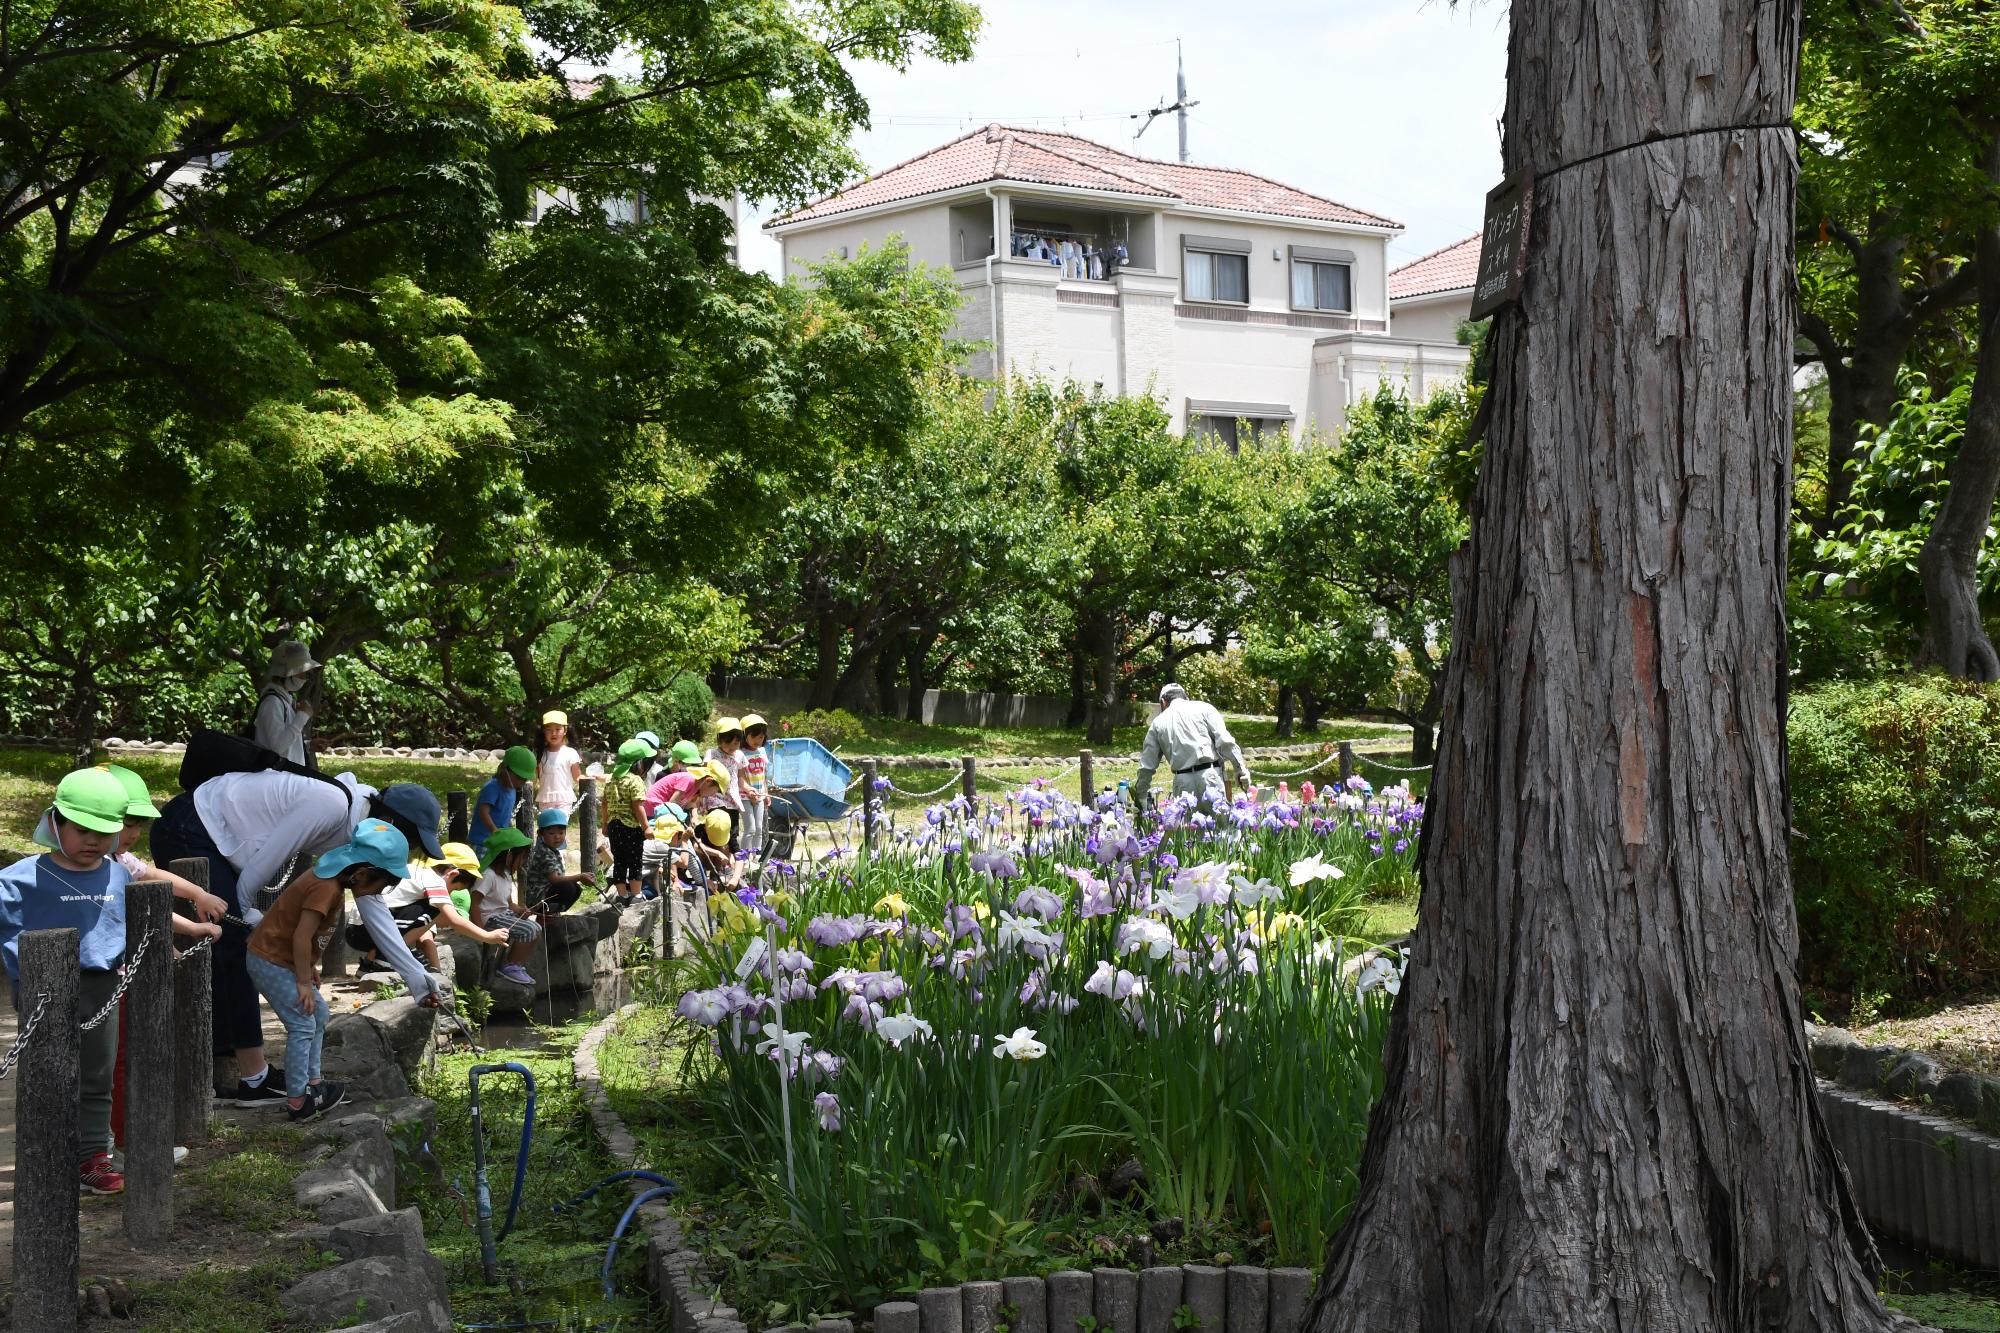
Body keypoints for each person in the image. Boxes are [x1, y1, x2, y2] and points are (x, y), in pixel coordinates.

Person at [150, 770, 446, 1106]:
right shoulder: (331, 806)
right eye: (411, 841)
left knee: (236, 947)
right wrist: (248, 917)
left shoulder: (366, 838)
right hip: (193, 824)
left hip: (228, 840)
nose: (408, 851)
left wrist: (417, 979)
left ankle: (249, 1067)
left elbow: (373, 907)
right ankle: (256, 1079)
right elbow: (261, 867)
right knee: (233, 942)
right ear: (391, 820)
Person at [0, 769, 135, 1193]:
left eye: (103, 831)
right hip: (42, 991)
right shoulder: (19, 878)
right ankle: (44, 1155)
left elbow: (127, 922)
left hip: (102, 989)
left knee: (96, 1075)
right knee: (46, 1076)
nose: (92, 841)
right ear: (55, 822)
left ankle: (93, 1156)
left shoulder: (118, 875)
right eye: (81, 830)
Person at [245, 819, 423, 1122]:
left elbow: (306, 938)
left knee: (320, 1015)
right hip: (269, 959)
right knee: (303, 1023)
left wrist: (309, 967)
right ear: (363, 874)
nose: (385, 890)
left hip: (286, 960)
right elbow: (301, 935)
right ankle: (299, 1100)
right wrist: (302, 981)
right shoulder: (325, 888)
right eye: (387, 883)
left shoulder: (334, 882)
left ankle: (314, 1084)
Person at [345, 841, 507, 974]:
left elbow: (424, 934)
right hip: (366, 931)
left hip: (356, 930)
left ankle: (368, 965)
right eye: (455, 889)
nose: (450, 893)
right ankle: (388, 957)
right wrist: (487, 936)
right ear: (452, 874)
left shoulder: (416, 872)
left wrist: (435, 969)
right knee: (436, 909)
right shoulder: (433, 880)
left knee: (431, 909)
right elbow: (454, 919)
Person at [1131, 682, 1249, 815]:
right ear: (1186, 697)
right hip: (1210, 776)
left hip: (1182, 781)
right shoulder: (1205, 708)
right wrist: (1240, 770)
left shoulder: (1157, 723)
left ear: (1163, 702)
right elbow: (1225, 741)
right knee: (1219, 830)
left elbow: (1147, 766)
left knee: (1187, 831)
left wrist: (1140, 796)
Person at [470, 828, 541, 986]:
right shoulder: (488, 875)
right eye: (521, 857)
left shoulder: (506, 875)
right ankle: (508, 966)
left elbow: (509, 905)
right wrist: (481, 934)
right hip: (490, 920)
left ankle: (516, 964)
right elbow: (474, 904)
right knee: (529, 930)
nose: (522, 862)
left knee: (537, 927)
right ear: (509, 855)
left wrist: (521, 911)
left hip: (504, 916)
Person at [602, 739, 654, 903]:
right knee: (635, 861)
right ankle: (637, 895)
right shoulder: (635, 780)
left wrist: (604, 824)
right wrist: (646, 827)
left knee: (619, 861)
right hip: (631, 827)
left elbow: (604, 803)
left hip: (614, 826)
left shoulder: (611, 778)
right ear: (639, 764)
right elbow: (637, 806)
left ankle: (622, 895)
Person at [252, 640, 318, 765]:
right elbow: (277, 748)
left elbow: (285, 744)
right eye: (301, 672)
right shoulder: (272, 702)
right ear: (287, 673)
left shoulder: (284, 700)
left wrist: (308, 746)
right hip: (277, 779)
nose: (305, 678)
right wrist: (302, 716)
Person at [523, 809, 594, 915]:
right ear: (541, 833)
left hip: (546, 893)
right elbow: (555, 879)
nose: (557, 837)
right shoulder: (543, 852)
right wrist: (580, 877)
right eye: (551, 833)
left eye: (561, 833)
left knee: (576, 889)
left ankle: (554, 912)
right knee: (568, 887)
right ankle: (547, 913)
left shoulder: (551, 850)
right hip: (537, 898)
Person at [472, 747, 536, 852]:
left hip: (498, 843)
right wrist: (495, 831)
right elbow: (483, 812)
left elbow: (506, 815)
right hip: (482, 842)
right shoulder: (492, 787)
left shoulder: (512, 789)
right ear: (505, 769)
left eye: (524, 780)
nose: (521, 783)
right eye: (519, 778)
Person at [534, 710, 582, 818]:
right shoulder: (540, 754)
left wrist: (592, 778)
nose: (553, 733)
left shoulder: (570, 753)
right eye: (549, 729)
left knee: (560, 828)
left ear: (565, 730)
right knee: (547, 829)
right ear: (543, 731)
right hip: (545, 798)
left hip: (564, 799)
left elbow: (577, 776)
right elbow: (534, 777)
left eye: (557, 729)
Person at [642, 759, 724, 821]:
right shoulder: (689, 779)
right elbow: (672, 803)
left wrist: (694, 818)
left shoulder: (696, 788)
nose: (713, 795)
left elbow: (690, 805)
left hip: (661, 809)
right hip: (653, 808)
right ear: (708, 781)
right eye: (715, 791)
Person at [738, 715, 771, 857]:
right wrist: (749, 791)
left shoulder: (762, 752)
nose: (758, 741)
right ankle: (744, 859)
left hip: (760, 795)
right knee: (750, 829)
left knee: (759, 828)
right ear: (745, 735)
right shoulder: (740, 754)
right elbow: (740, 777)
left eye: (761, 737)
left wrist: (766, 793)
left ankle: (756, 858)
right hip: (745, 796)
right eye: (754, 737)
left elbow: (763, 775)